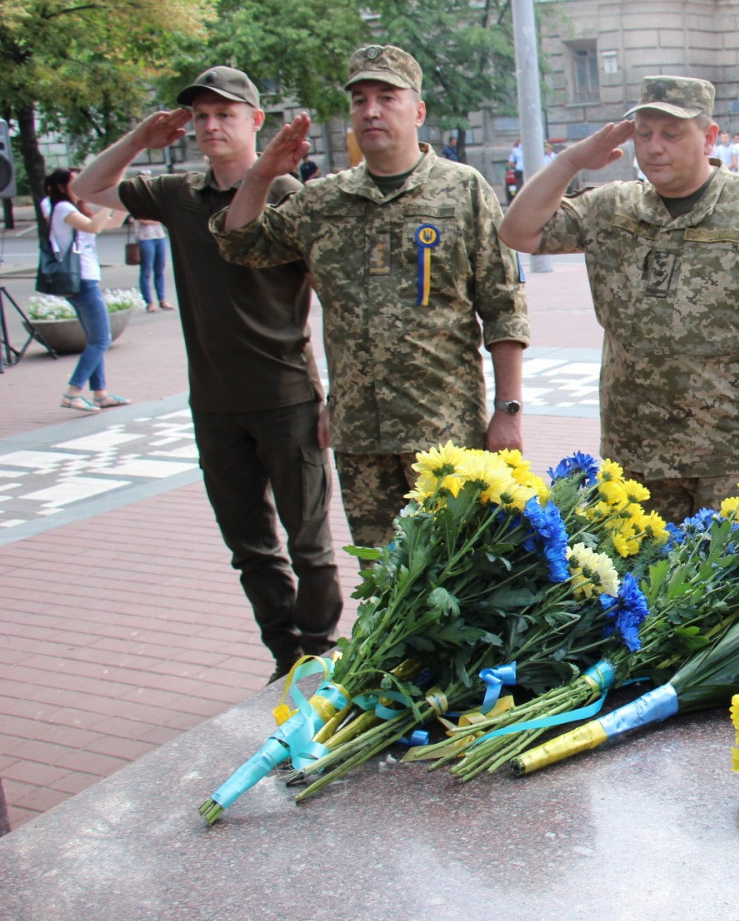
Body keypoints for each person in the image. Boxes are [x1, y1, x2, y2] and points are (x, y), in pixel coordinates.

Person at [75, 65, 343, 681]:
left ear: (256, 121)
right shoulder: (178, 194)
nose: (210, 125)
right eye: (200, 116)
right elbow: (91, 187)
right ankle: (286, 657)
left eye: (224, 114)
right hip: (216, 407)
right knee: (250, 548)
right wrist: (140, 140)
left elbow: (332, 297)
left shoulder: (287, 197)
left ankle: (321, 655)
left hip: (287, 398)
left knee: (310, 546)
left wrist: (331, 393)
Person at [212, 45, 531, 551]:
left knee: (462, 580)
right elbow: (240, 242)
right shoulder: (324, 200)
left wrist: (508, 411)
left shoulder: (462, 190)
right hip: (361, 435)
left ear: (418, 111)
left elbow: (503, 305)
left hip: (446, 428)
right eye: (359, 100)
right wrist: (262, 172)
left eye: (387, 97)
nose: (371, 111)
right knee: (383, 583)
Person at [497, 76, 739, 522]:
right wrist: (573, 160)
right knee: (641, 583)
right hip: (634, 452)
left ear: (709, 137)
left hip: (733, 453)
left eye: (671, 134)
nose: (654, 147)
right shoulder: (612, 208)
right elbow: (517, 232)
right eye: (644, 134)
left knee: (732, 588)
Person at [42, 168, 128, 412]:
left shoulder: (75, 208)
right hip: (82, 280)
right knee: (101, 340)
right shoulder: (63, 209)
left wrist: (119, 199)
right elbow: (94, 228)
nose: (80, 186)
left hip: (84, 279)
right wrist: (107, 200)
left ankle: (100, 393)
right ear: (61, 187)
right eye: (74, 183)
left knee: (95, 340)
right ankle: (73, 392)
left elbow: (110, 224)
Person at [132, 213, 173, 312]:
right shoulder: (138, 203)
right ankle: (149, 302)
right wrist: (158, 220)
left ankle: (162, 300)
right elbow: (143, 219)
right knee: (146, 271)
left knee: (160, 270)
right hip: (145, 238)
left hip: (159, 236)